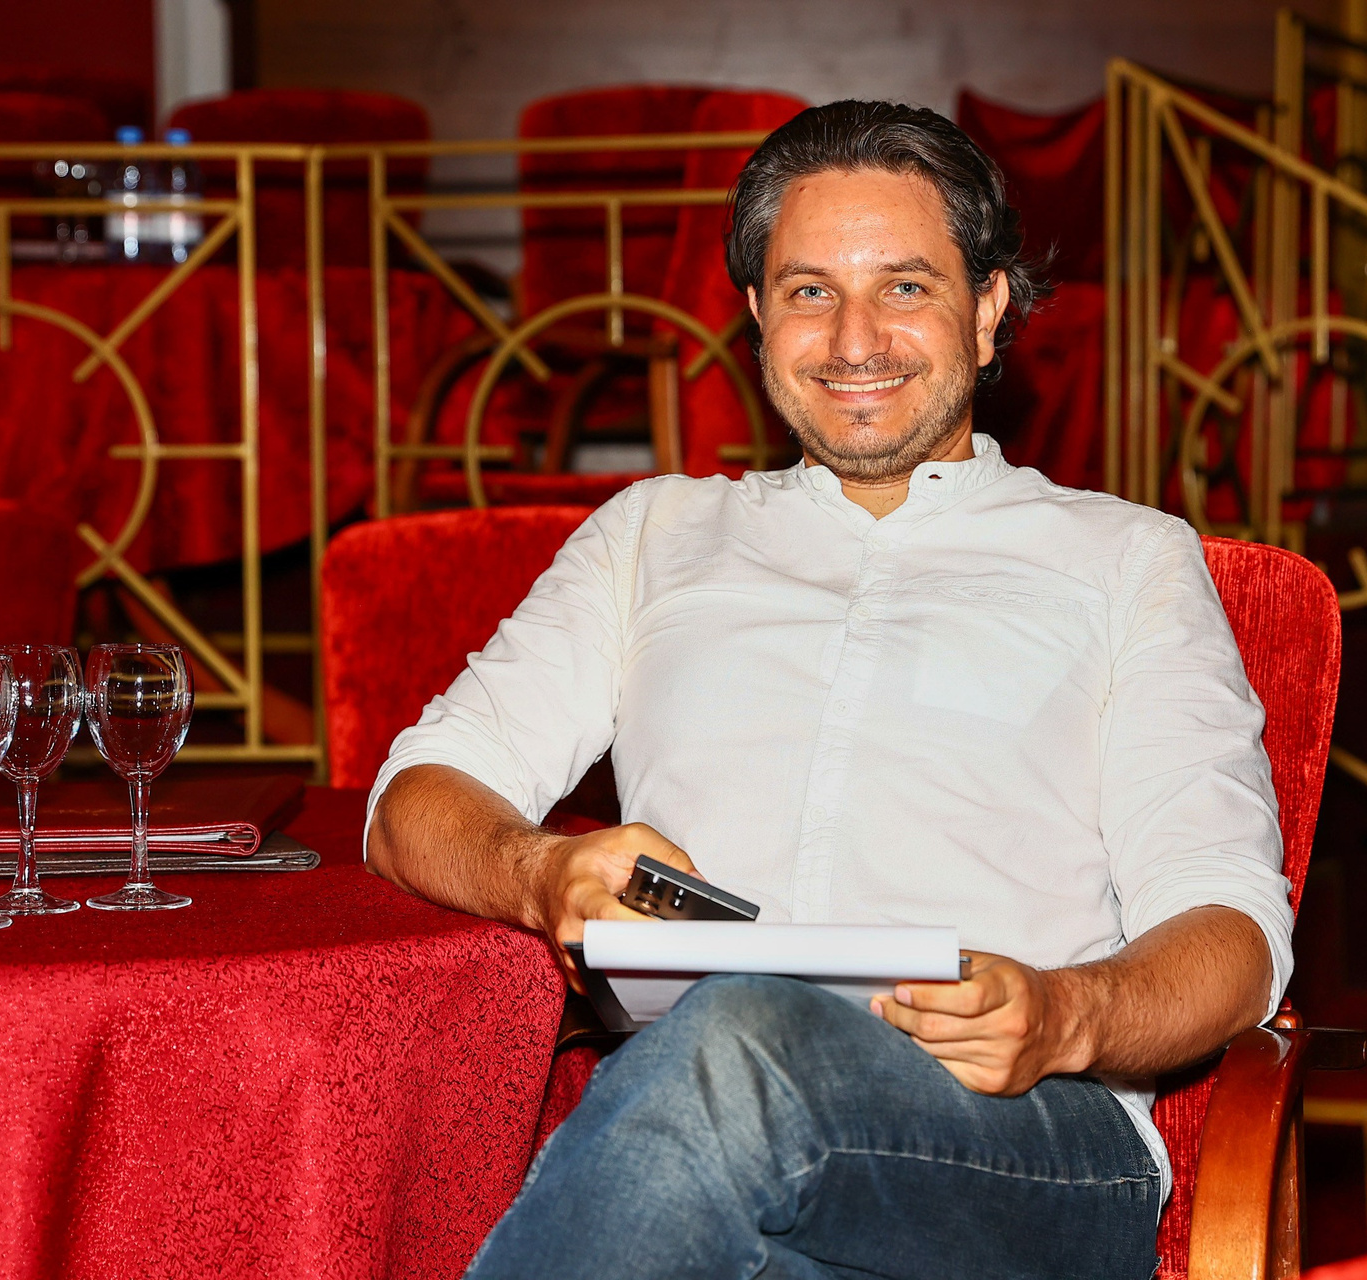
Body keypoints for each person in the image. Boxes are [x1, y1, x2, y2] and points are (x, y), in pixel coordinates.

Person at [366, 100, 1292, 1280]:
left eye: (905, 286)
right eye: (810, 290)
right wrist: (541, 870)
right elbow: (416, 799)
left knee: (737, 1033)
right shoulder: (653, 535)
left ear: (988, 310)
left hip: (1022, 1140)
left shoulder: (1128, 561)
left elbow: (1232, 933)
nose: (856, 340)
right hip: (696, 1141)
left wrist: (1068, 1012)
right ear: (758, 315)